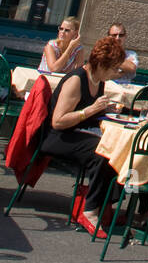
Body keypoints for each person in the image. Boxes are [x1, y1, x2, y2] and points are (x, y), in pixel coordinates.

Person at [40, 34, 127, 237]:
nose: (116, 73)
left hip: (77, 133)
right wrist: (90, 111)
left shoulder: (98, 80)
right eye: (114, 67)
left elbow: (89, 111)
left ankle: (104, 205)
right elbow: (58, 121)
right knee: (101, 153)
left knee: (115, 148)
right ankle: (90, 210)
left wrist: (105, 110)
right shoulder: (76, 80)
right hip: (57, 137)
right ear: (102, 64)